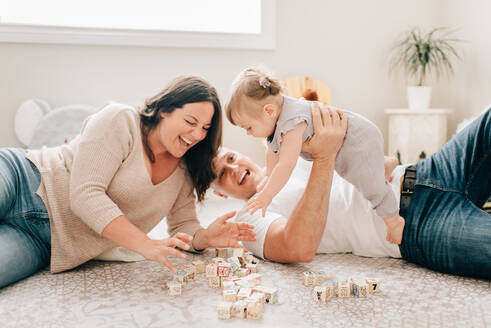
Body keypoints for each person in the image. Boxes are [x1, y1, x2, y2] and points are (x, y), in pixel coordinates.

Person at [0, 76, 256, 289]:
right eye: (190, 122)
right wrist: (144, 244)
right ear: (166, 109)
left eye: (205, 128)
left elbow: (183, 225)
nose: (197, 134)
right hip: (23, 177)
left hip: (45, 241)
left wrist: (204, 238)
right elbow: (85, 194)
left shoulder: (184, 171)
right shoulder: (122, 120)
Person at [213, 103, 491, 279]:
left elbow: (386, 162)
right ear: (220, 194)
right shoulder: (249, 218)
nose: (234, 168)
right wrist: (325, 156)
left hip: (429, 171)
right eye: (222, 174)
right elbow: (297, 248)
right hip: (416, 227)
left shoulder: (293, 149)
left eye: (231, 158)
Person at [225, 67, 404, 245]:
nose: (248, 133)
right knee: (352, 172)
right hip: (350, 144)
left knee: (370, 187)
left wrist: (267, 196)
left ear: (269, 111)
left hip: (359, 140)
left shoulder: (292, 123)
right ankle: (383, 164)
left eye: (248, 127)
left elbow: (286, 165)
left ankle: (393, 220)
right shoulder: (277, 118)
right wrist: (268, 175)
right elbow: (272, 151)